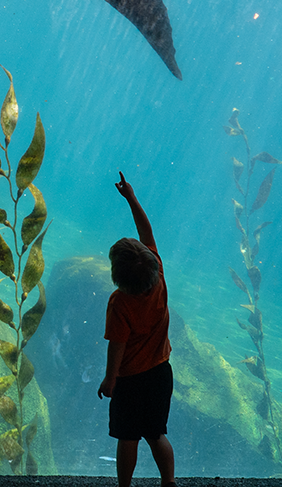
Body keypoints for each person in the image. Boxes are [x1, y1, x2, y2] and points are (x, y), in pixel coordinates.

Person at [97, 172, 176, 487]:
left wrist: (110, 377)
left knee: (128, 438)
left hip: (129, 379)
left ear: (117, 276)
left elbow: (117, 344)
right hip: (160, 373)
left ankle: (125, 486)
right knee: (157, 434)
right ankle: (168, 482)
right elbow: (147, 231)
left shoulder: (119, 302)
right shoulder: (157, 275)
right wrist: (131, 197)